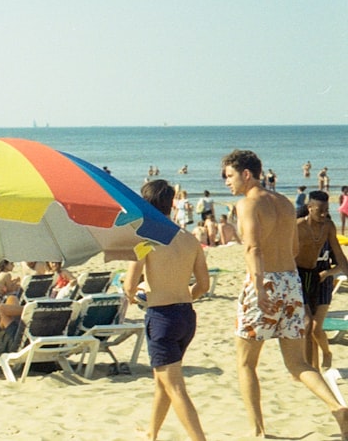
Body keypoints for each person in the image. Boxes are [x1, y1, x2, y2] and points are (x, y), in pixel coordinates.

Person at [222, 149, 348, 438]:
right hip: (290, 281)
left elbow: (253, 248)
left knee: (245, 363)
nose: (226, 183)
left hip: (263, 281)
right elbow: (292, 250)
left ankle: (257, 431)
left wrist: (258, 284)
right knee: (297, 364)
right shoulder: (286, 203)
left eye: (229, 176)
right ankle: (337, 408)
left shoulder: (247, 204)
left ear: (246, 174)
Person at [123, 179, 210, 441]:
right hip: (186, 315)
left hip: (162, 316)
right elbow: (203, 285)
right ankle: (152, 433)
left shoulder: (146, 239)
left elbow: (129, 285)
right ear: (171, 204)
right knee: (163, 380)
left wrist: (139, 298)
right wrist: (183, 297)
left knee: (174, 386)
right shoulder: (189, 239)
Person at [296, 191, 348, 370]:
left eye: (327, 210)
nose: (325, 214)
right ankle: (310, 368)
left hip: (318, 277)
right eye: (320, 210)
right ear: (310, 208)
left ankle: (313, 368)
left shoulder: (328, 226)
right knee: (308, 324)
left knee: (313, 327)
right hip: (298, 276)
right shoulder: (297, 227)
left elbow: (340, 256)